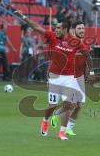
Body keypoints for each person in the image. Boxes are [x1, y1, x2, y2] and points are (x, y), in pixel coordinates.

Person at [14, 10, 94, 140]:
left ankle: (62, 132)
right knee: (52, 106)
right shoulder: (52, 37)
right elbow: (36, 27)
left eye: (58, 28)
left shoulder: (76, 42)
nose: (55, 30)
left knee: (68, 104)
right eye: (55, 28)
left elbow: (87, 55)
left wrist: (91, 72)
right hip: (54, 77)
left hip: (69, 78)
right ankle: (45, 120)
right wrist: (23, 17)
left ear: (66, 29)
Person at [50, 21, 91, 136]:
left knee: (79, 105)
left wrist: (88, 73)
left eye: (83, 28)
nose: (82, 30)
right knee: (71, 104)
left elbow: (87, 60)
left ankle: (69, 127)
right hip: (69, 77)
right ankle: (58, 117)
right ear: (73, 30)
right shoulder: (68, 43)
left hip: (80, 77)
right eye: (79, 28)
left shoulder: (86, 45)